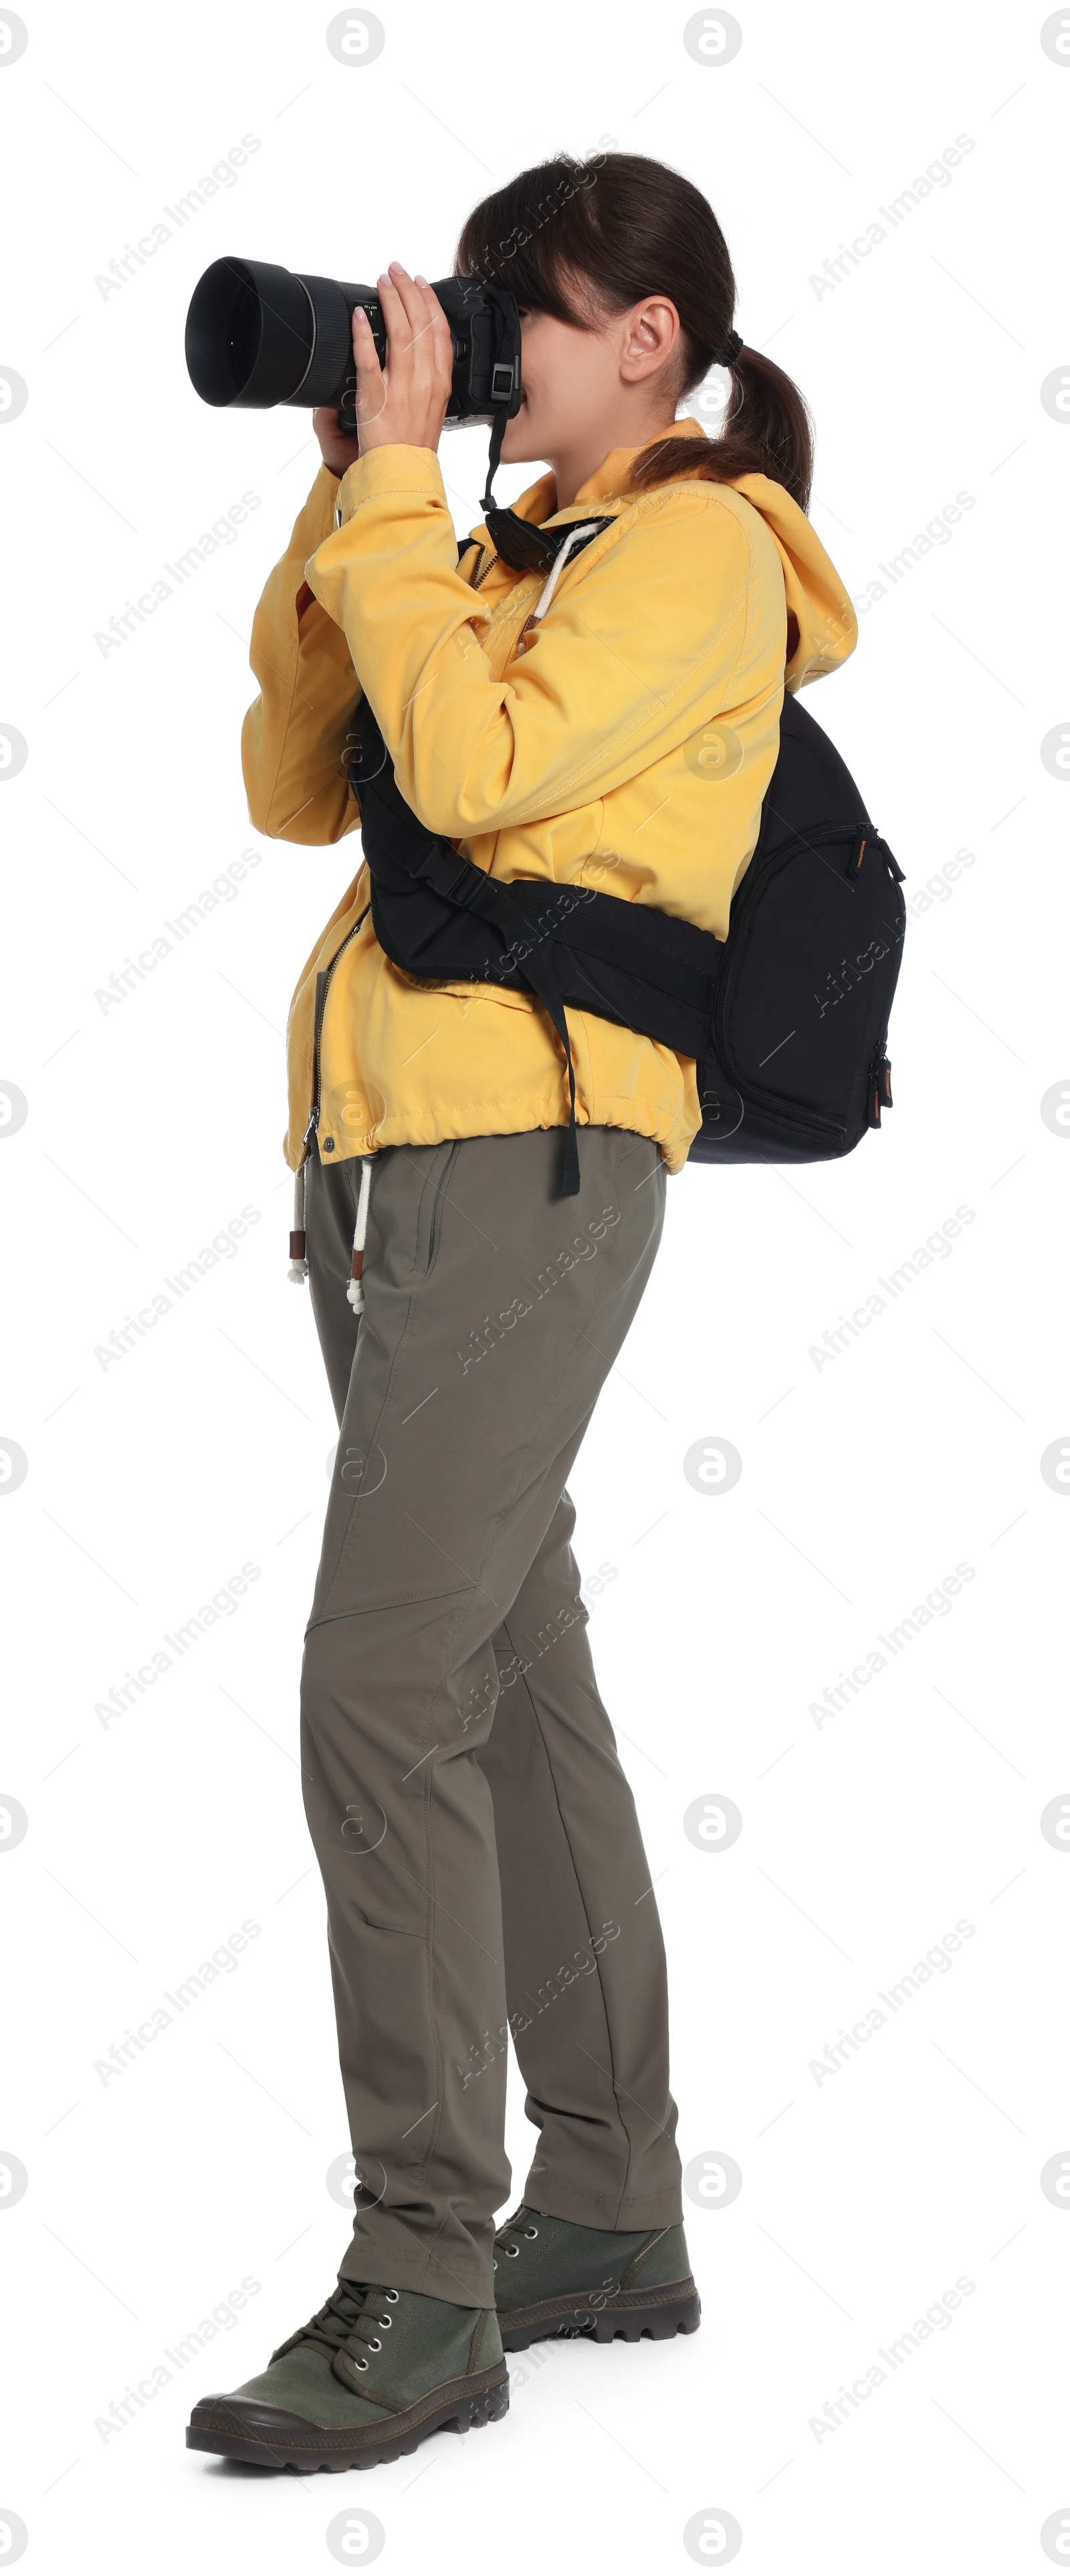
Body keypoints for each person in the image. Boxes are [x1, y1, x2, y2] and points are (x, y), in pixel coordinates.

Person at [187, 150, 857, 2474]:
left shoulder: (696, 552)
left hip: (529, 1159)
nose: (486, 345)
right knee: (498, 1670)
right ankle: (606, 2205)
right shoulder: (491, 549)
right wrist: (353, 492)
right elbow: (303, 780)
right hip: (400, 1166)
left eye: (522, 314)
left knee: (378, 1683)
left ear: (652, 338)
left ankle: (423, 2275)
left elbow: (470, 770)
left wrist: (396, 494)